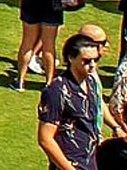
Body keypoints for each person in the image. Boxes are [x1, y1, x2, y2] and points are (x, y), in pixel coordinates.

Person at [38, 34, 105, 170]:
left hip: (90, 161)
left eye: (95, 60)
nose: (92, 65)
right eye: (86, 61)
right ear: (71, 58)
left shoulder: (91, 82)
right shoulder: (57, 91)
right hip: (70, 163)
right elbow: (45, 138)